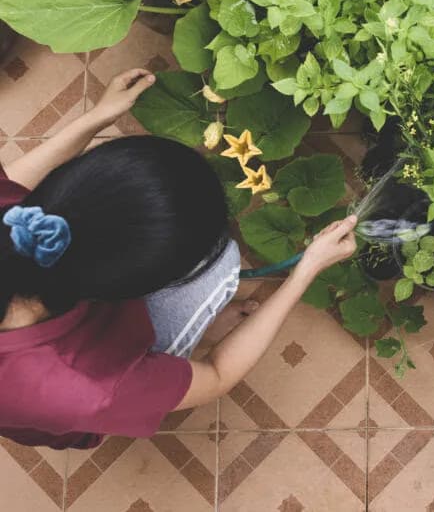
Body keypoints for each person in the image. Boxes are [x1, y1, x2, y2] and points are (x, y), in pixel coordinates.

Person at [0, 69, 358, 449]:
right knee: (222, 264)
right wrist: (305, 271)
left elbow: (10, 184)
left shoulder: (29, 226)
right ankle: (177, 342)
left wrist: (96, 117)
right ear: (134, 286)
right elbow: (217, 375)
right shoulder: (89, 385)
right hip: (78, 399)